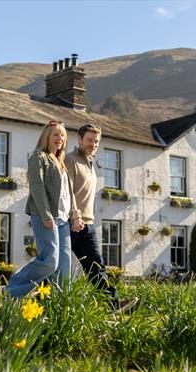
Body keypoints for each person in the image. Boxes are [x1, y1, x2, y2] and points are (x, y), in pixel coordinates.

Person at [65, 123, 138, 313]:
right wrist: (75, 216)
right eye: (89, 140)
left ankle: (112, 304)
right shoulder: (70, 159)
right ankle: (31, 299)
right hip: (71, 223)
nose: (93, 144)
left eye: (96, 142)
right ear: (79, 139)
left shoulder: (90, 163)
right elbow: (69, 190)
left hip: (87, 225)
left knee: (96, 266)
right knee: (56, 267)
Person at [6, 120, 79, 298]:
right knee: (49, 262)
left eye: (62, 135)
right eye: (55, 134)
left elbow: (68, 193)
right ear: (46, 136)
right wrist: (47, 216)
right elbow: (37, 187)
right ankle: (11, 291)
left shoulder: (61, 162)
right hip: (46, 217)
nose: (59, 138)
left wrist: (75, 215)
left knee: (64, 266)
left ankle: (60, 304)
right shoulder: (38, 157)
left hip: (63, 219)